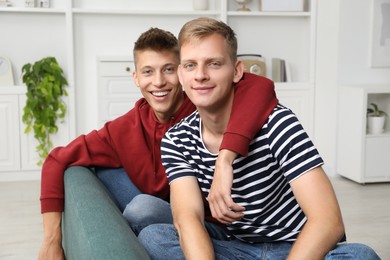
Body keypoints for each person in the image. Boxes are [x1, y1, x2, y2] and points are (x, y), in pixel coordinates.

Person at [137, 17, 380, 259]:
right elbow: (188, 219)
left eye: (214, 64)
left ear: (236, 71)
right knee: (155, 237)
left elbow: (328, 222)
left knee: (360, 255)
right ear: (180, 74)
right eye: (190, 65)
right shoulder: (177, 139)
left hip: (295, 245)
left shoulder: (277, 123)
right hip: (236, 247)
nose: (200, 75)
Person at [38, 27, 278, 259]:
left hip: (216, 222)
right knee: (108, 177)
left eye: (169, 69)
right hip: (169, 213)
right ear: (136, 77)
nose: (159, 82)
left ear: (183, 72)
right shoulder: (125, 126)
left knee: (141, 209)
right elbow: (56, 159)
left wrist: (225, 159)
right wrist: (51, 241)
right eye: (148, 72)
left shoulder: (205, 106)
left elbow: (260, 85)